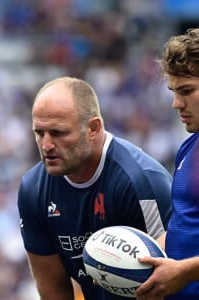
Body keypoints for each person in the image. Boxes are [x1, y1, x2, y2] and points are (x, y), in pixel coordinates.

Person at [17, 76, 173, 300]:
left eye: (58, 133)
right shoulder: (33, 189)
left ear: (93, 128)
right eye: (39, 133)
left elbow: (169, 276)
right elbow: (53, 289)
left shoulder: (140, 182)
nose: (46, 145)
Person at [136, 28, 199, 300]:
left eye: (186, 90)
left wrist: (184, 272)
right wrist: (133, 257)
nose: (175, 103)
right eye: (174, 91)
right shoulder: (190, 144)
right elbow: (183, 225)